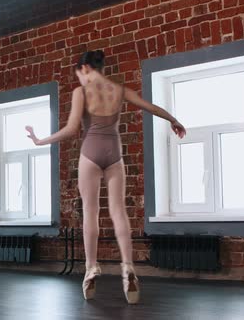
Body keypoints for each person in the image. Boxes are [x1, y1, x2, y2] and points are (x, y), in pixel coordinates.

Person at [25, 50, 186, 304]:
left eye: (78, 73)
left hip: (91, 153)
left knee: (91, 212)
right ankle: (129, 267)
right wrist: (173, 120)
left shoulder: (82, 92)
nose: (78, 78)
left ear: (85, 68)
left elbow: (71, 129)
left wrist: (39, 140)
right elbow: (150, 107)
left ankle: (91, 268)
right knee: (118, 211)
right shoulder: (119, 90)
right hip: (115, 154)